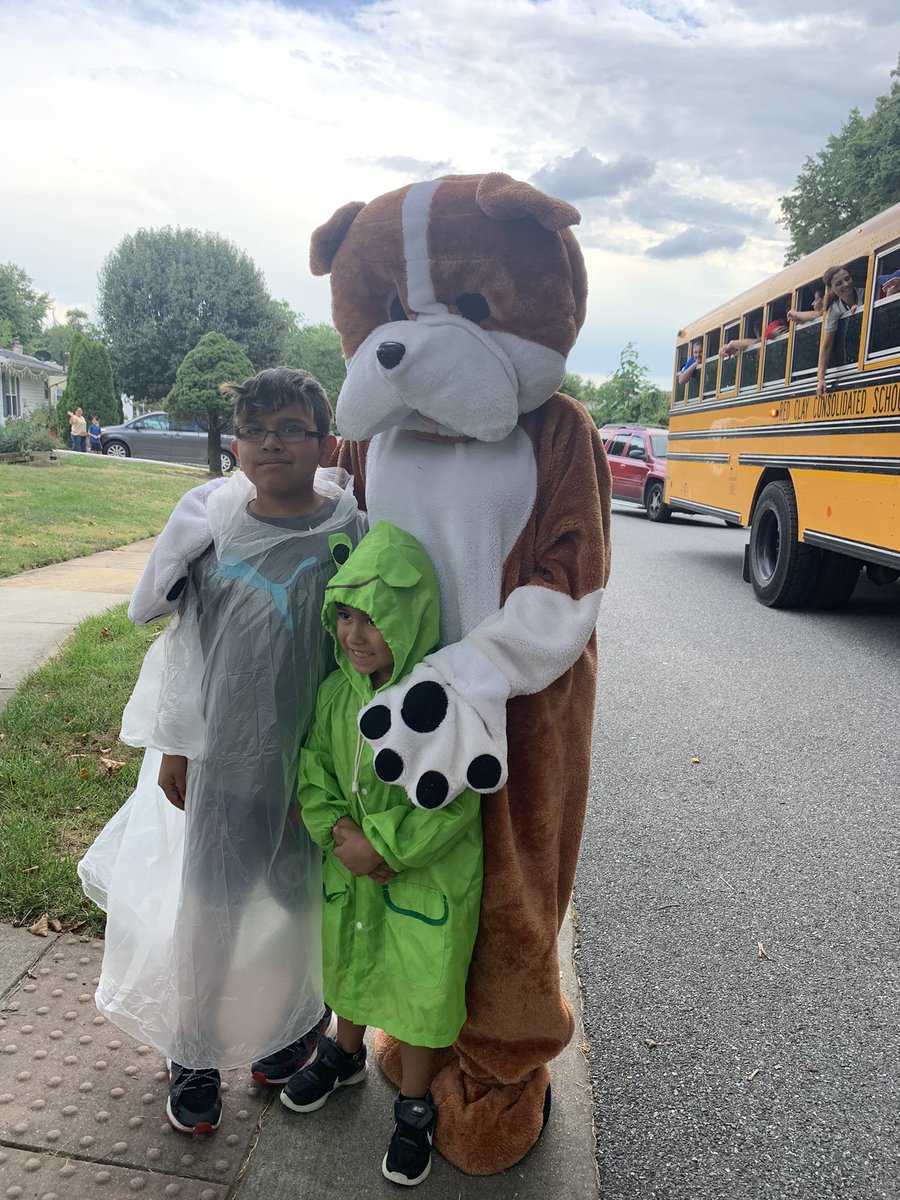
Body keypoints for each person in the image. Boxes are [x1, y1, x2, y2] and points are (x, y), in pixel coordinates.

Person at [78, 367, 364, 1135]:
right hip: (223, 756)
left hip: (312, 765)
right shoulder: (213, 526)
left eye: (293, 429)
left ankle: (282, 1034)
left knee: (297, 900)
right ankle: (194, 1051)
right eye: (256, 429)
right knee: (213, 906)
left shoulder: (349, 528)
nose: (273, 443)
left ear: (325, 442)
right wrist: (176, 745)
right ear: (235, 443)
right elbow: (182, 642)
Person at [282, 521, 483, 1187]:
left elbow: (460, 798)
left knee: (422, 982)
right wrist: (337, 833)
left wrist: (390, 846)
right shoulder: (337, 694)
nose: (355, 634)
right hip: (352, 868)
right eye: (345, 615)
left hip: (424, 877)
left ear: (412, 616)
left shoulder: (440, 703)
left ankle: (415, 1102)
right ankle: (345, 1053)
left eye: (374, 618)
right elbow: (313, 770)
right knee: (352, 960)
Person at [817, 264, 858, 400]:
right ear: (832, 289)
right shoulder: (834, 308)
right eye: (839, 283)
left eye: (848, 278)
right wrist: (821, 379)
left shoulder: (865, 292)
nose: (846, 284)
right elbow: (827, 345)